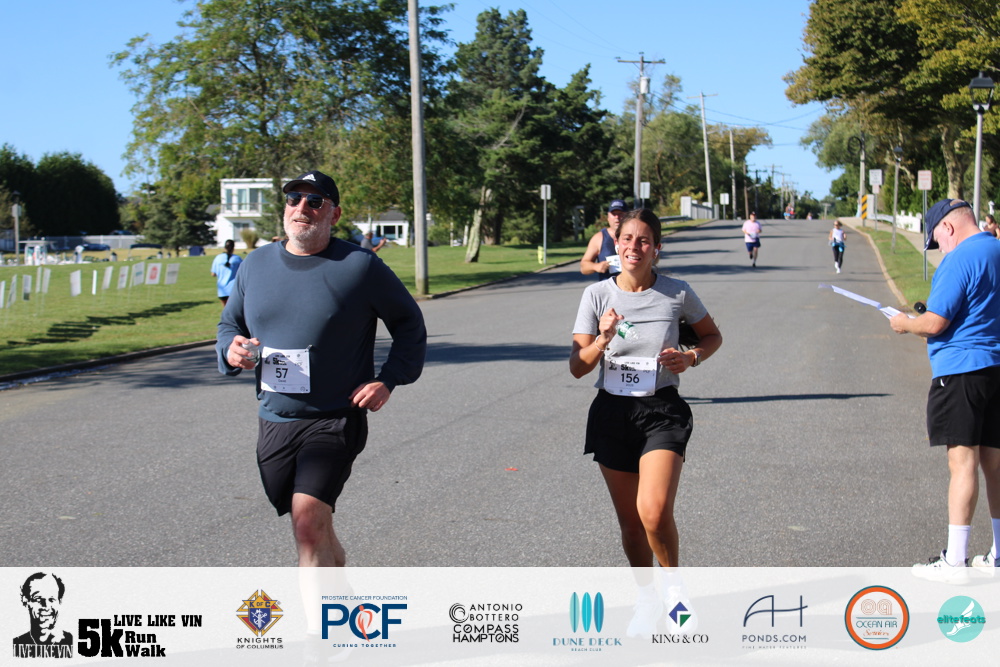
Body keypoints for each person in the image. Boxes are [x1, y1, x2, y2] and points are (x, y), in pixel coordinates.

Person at [217, 170, 426, 568]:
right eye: (294, 198)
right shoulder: (256, 264)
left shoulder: (359, 266)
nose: (302, 208)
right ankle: (337, 583)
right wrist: (230, 349)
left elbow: (409, 325)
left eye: (315, 201)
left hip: (335, 418)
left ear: (334, 214)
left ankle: (319, 610)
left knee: (307, 520)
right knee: (313, 523)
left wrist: (389, 379)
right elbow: (230, 324)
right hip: (274, 417)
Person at [570, 208, 723, 635]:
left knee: (653, 514)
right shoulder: (596, 295)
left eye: (643, 240)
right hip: (612, 413)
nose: (634, 247)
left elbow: (712, 336)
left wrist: (690, 357)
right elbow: (577, 367)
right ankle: (647, 597)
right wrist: (603, 339)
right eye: (627, 239)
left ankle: (675, 595)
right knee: (632, 527)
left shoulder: (677, 292)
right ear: (615, 244)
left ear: (657, 247)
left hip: (662, 411)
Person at [889, 198, 1000, 579]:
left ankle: (955, 560)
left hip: (960, 371)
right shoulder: (996, 249)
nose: (940, 248)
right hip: (996, 367)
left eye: (937, 239)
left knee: (962, 463)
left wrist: (905, 323)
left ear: (948, 227)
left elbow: (935, 323)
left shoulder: (959, 258)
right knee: (995, 464)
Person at [14, 573, 73, 656]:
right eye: (38, 599)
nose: (46, 606)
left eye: (51, 600)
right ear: (25, 601)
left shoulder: (72, 642)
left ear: (59, 601)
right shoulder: (16, 644)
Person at [580, 199, 628, 279]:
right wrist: (596, 266)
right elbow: (584, 266)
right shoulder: (599, 238)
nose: (617, 217)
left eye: (620, 214)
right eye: (614, 214)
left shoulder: (635, 236)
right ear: (608, 217)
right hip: (608, 285)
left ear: (628, 216)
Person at [211, 239, 242, 305]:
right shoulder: (237, 259)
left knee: (226, 309)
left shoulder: (218, 258)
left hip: (222, 290)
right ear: (233, 248)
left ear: (224, 247)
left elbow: (213, 274)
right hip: (233, 289)